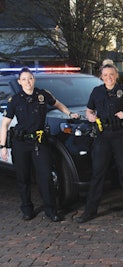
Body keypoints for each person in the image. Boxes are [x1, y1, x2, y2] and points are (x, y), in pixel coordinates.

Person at [0, 67, 80, 222]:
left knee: (45, 177)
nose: (28, 82)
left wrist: (69, 113)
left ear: (33, 79)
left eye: (30, 78)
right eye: (24, 79)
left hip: (39, 142)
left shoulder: (42, 95)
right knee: (23, 178)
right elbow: (5, 124)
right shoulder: (15, 100)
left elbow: (57, 104)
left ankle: (51, 210)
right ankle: (27, 209)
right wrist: (2, 146)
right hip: (21, 143)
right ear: (19, 81)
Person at [74, 63, 123, 223]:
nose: (108, 78)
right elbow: (89, 110)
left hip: (120, 134)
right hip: (102, 135)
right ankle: (90, 211)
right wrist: (91, 116)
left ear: (116, 75)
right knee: (98, 173)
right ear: (101, 77)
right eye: (105, 75)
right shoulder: (97, 92)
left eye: (111, 74)